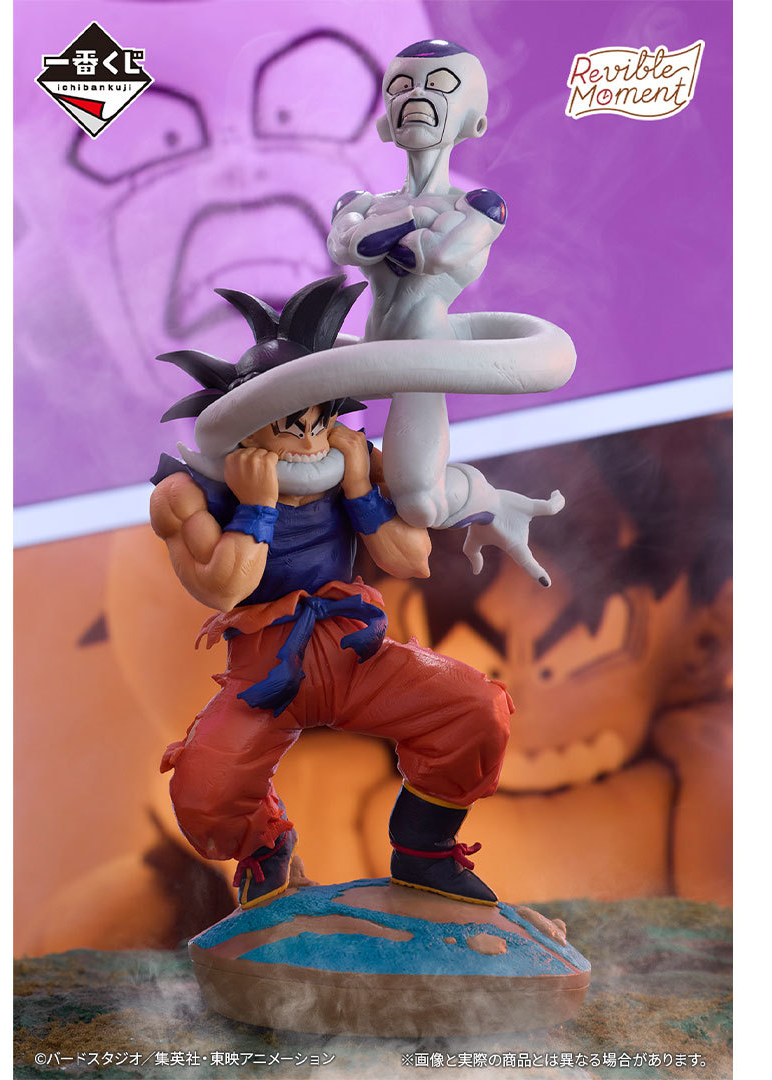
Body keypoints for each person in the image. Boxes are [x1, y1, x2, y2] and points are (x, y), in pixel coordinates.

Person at [150, 275, 512, 909]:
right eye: (290, 427)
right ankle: (266, 845)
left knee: (474, 708)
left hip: (355, 650)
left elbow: (411, 560)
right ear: (247, 423)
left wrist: (360, 490)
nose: (310, 443)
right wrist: (256, 506)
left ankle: (424, 850)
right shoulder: (187, 495)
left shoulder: (354, 462)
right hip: (267, 671)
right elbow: (225, 588)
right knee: (205, 794)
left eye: (321, 422)